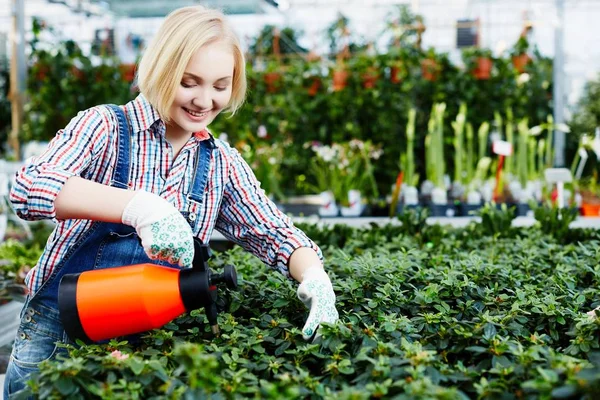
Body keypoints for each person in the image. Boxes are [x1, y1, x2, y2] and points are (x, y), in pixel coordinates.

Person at [4, 5, 339, 397]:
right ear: (162, 69)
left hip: (141, 336)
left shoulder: (220, 164)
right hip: (58, 329)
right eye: (189, 81)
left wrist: (315, 279)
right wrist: (139, 208)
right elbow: (28, 187)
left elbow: (275, 233)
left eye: (219, 86)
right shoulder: (106, 128)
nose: (204, 100)